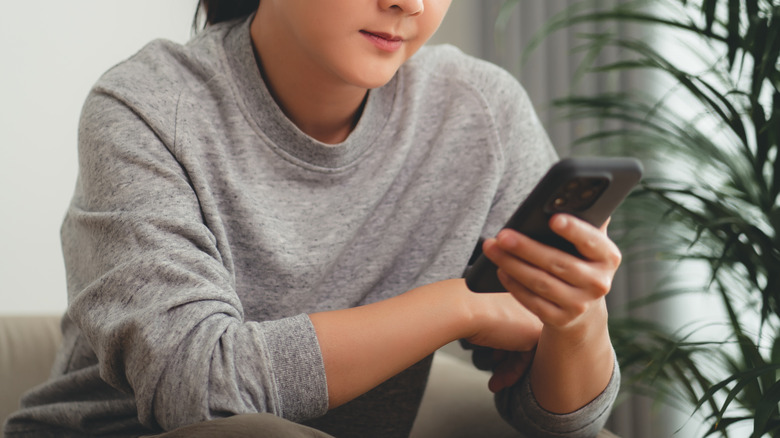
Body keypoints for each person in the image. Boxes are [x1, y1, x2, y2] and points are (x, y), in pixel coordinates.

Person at [3, 1, 621, 437]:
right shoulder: (146, 107)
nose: (408, 2)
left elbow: (564, 421)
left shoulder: (478, 113)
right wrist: (459, 305)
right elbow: (201, 391)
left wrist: (577, 321)